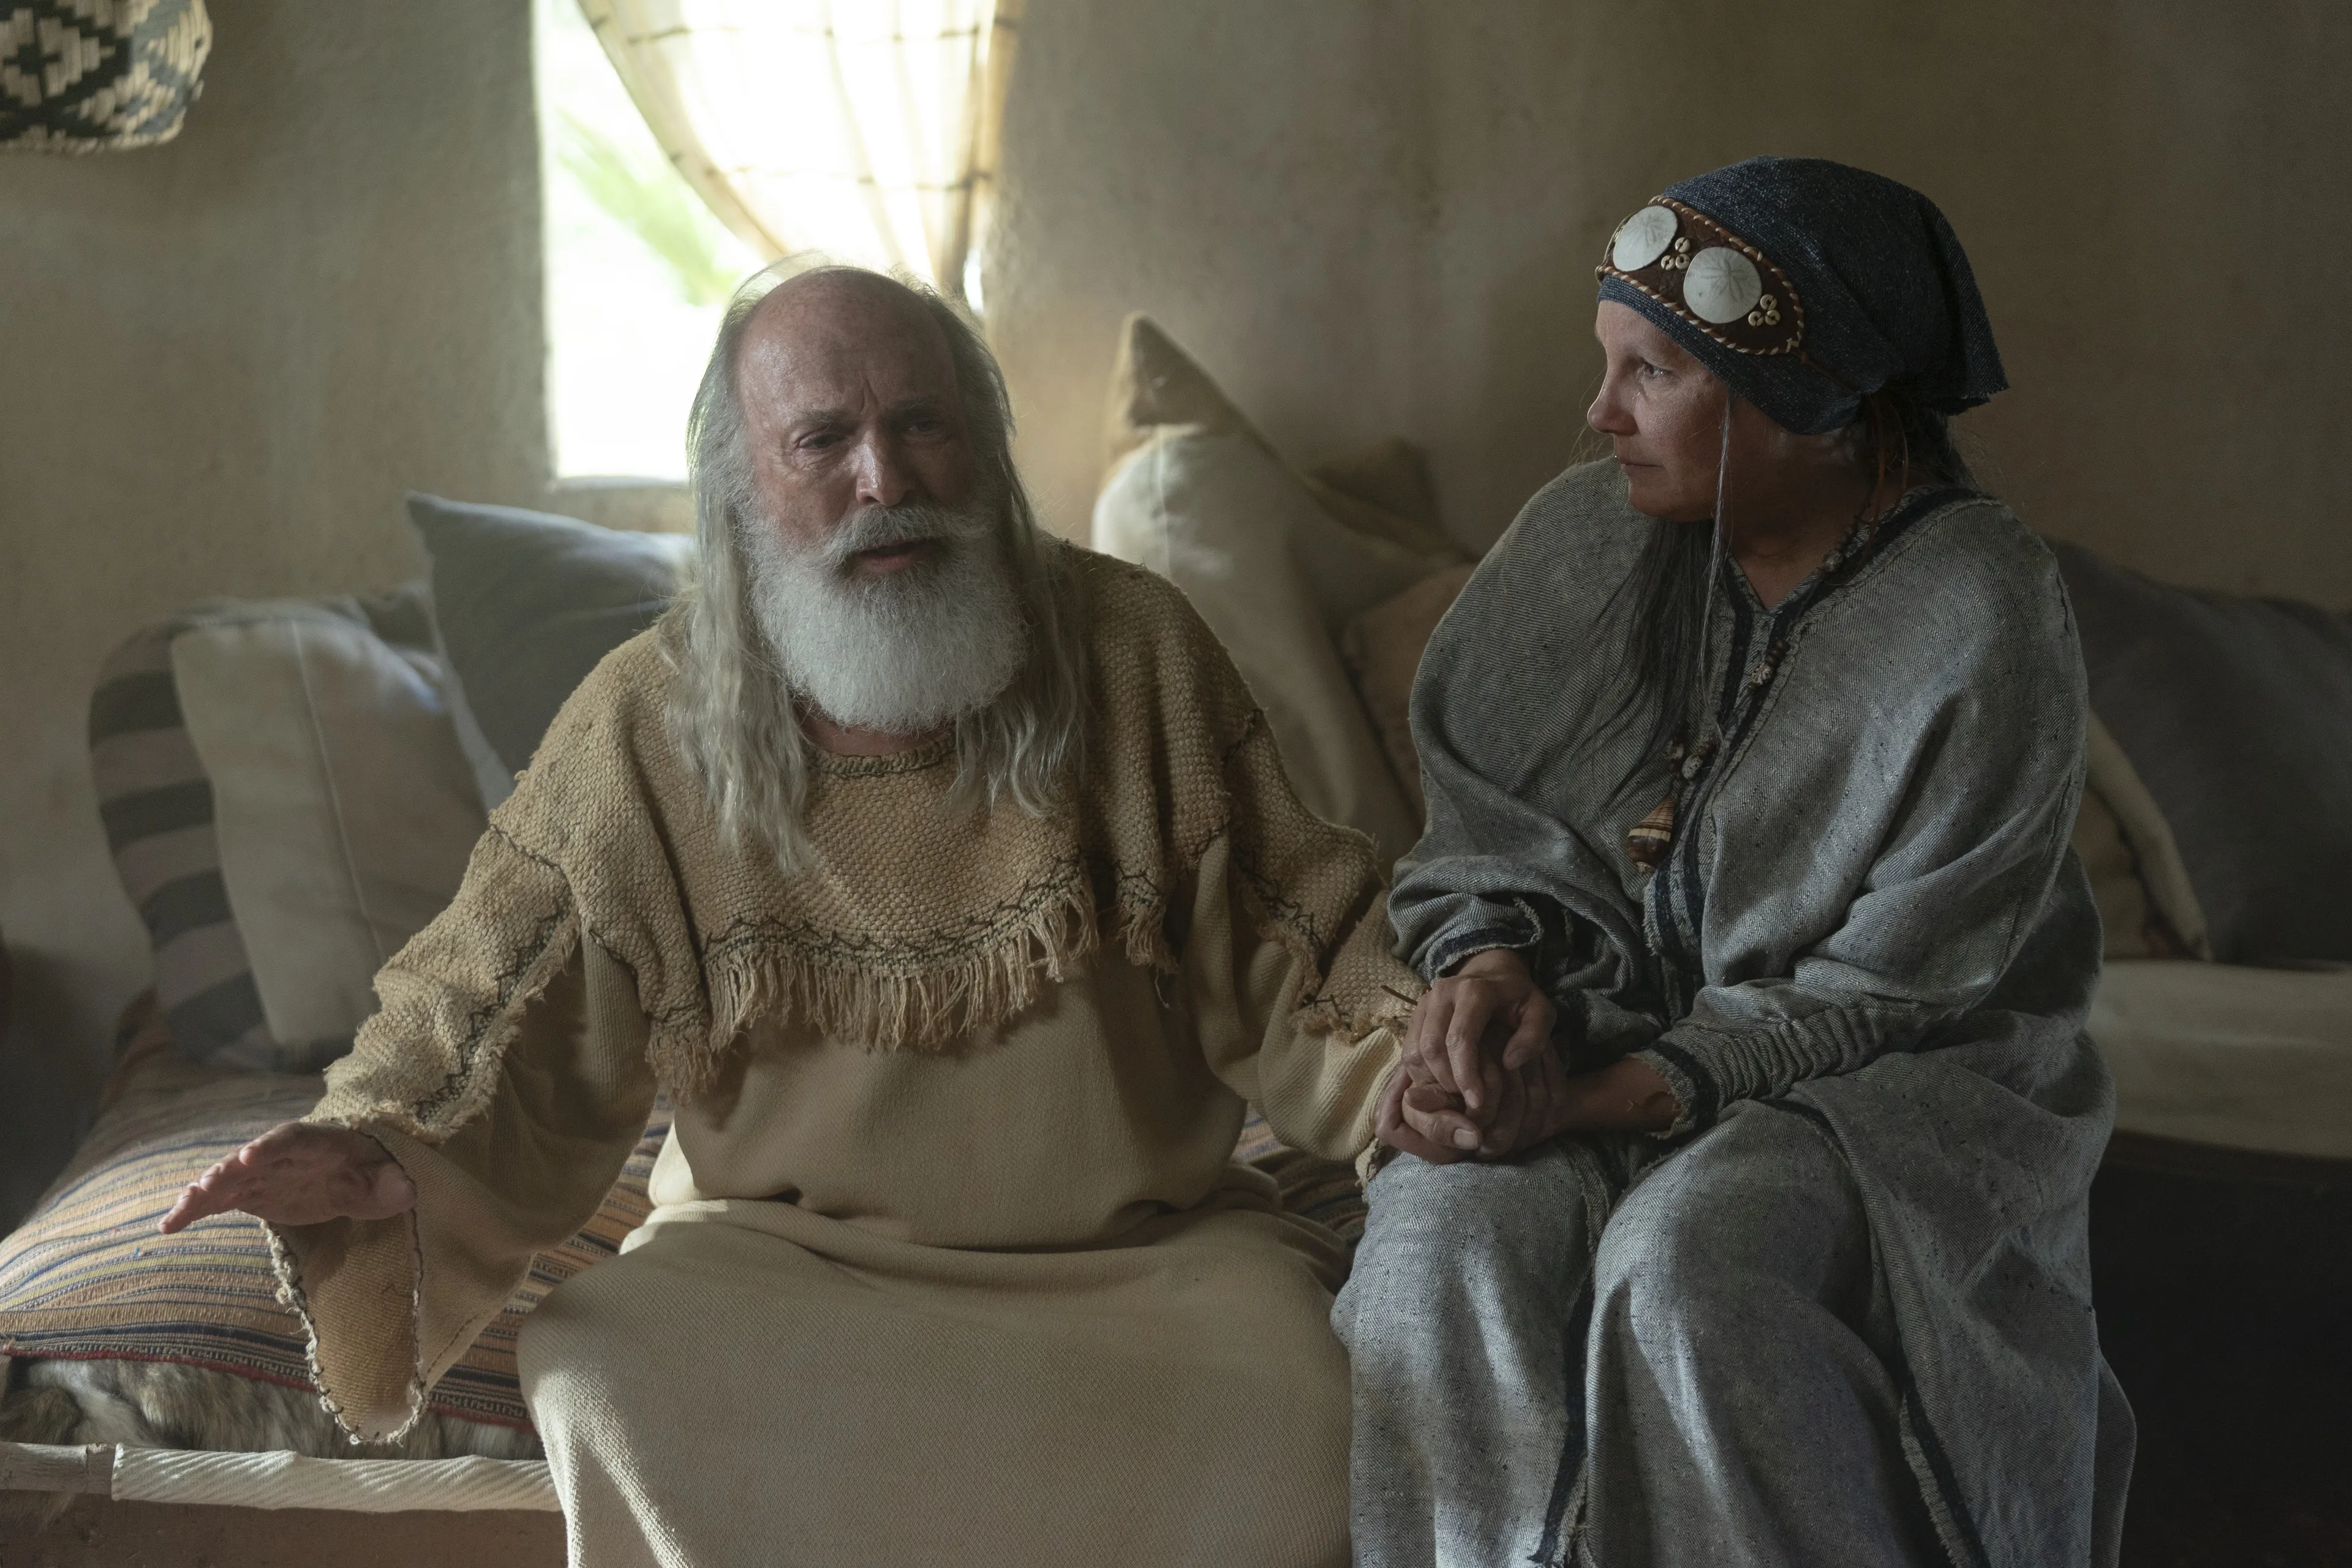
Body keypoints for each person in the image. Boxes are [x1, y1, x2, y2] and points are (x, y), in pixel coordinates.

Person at [162, 265, 1415, 1568]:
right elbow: (480, 994)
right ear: (743, 491)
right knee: (601, 1367)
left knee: (1305, 1403)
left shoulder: (1136, 644)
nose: (887, 478)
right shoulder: (642, 722)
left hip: (1146, 1266)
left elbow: (1306, 938)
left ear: (983, 447)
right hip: (786, 1271)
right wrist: (378, 1142)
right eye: (823, 439)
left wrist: (1421, 1055)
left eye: (924, 423)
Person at [1332, 157, 2135, 1567]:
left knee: (1691, 1265)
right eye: (1608, 365)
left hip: (1894, 1079)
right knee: (1432, 1248)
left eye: (1653, 373)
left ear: (1811, 402)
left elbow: (1890, 991)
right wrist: (1493, 976)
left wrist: (1593, 1097)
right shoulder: (1587, 538)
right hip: (1603, 1034)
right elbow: (1495, 839)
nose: (1601, 415)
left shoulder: (1977, 606)